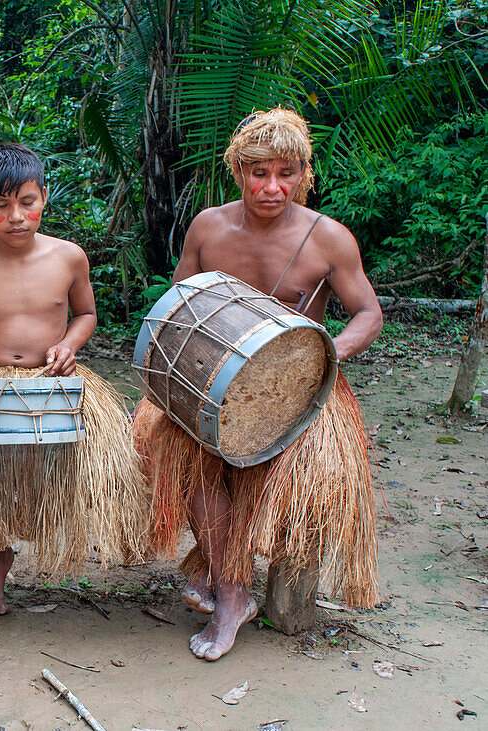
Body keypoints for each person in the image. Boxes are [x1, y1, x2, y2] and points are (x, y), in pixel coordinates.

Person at [133, 107, 383, 661]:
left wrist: (324, 356)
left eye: (287, 173)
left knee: (296, 468)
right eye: (258, 172)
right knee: (173, 448)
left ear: (305, 173)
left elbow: (368, 311)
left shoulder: (329, 239)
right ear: (237, 170)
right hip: (210, 386)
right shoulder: (209, 227)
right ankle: (231, 589)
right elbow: (177, 308)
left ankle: (232, 579)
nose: (272, 187)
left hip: (300, 395)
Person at [0, 143, 148, 615]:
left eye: (27, 202)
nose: (16, 216)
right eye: (0, 205)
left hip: (51, 379)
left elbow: (86, 313)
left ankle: (18, 563)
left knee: (42, 475)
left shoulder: (69, 258)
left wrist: (70, 345)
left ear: (44, 199)